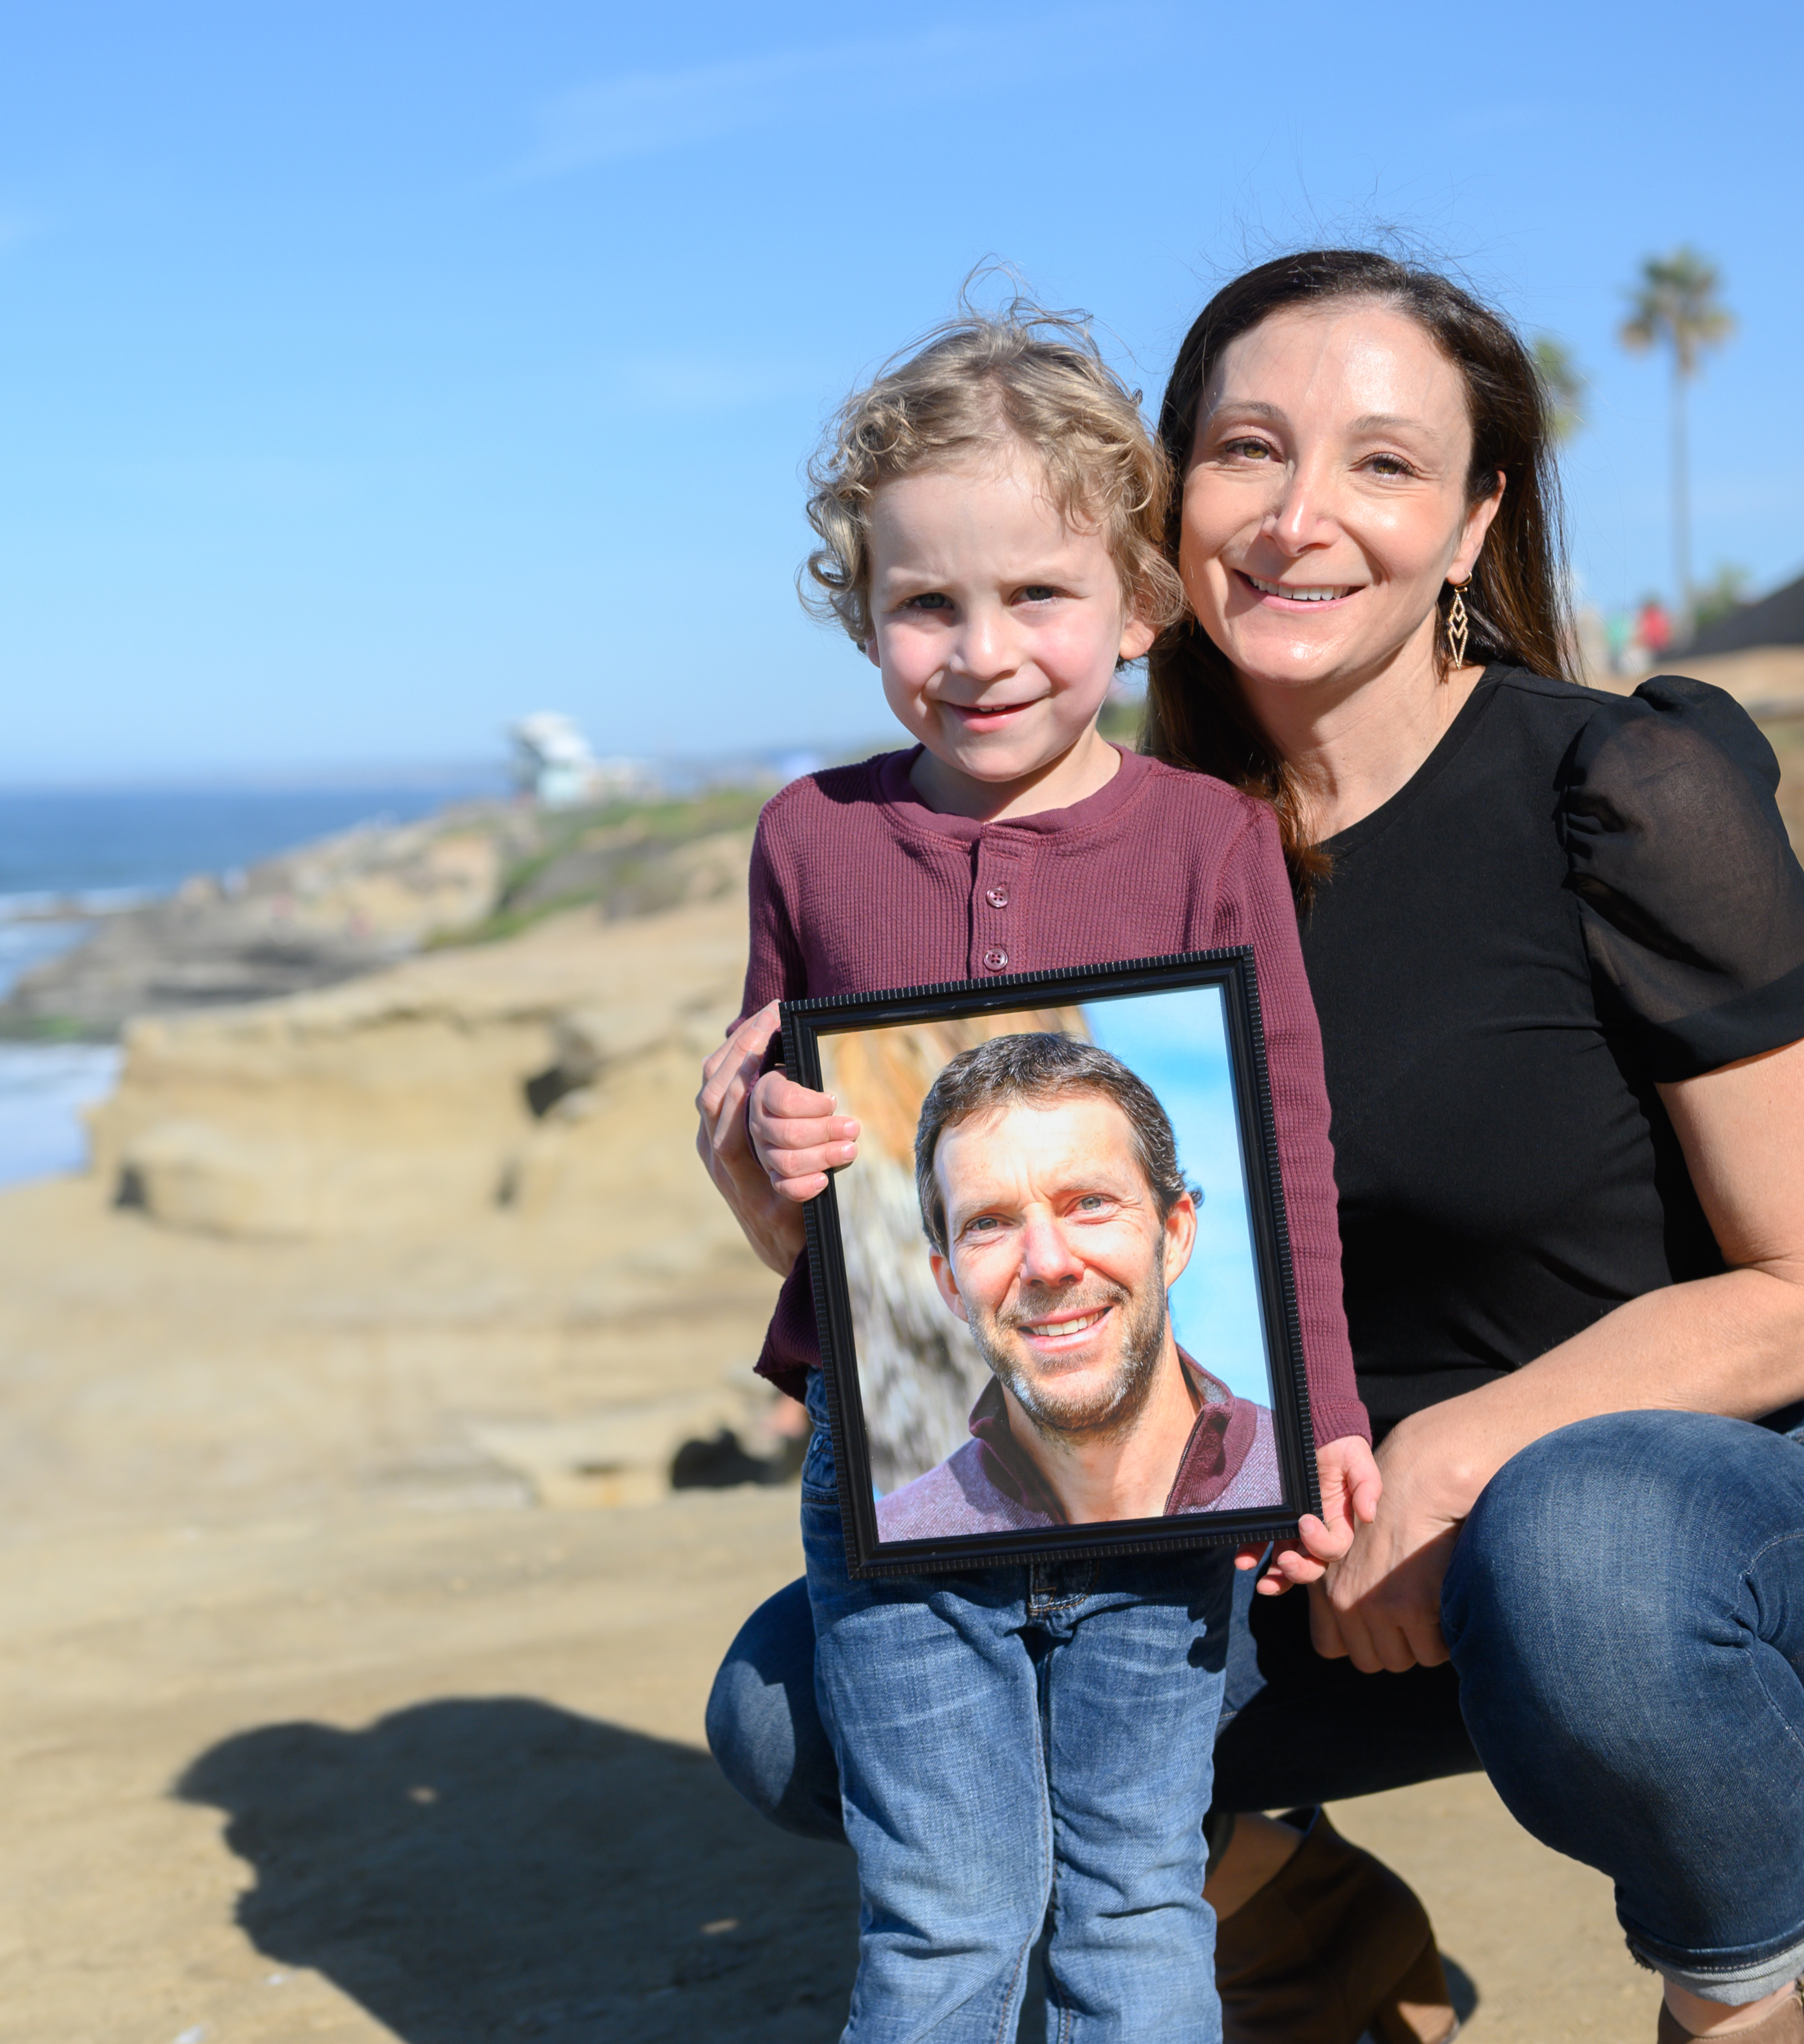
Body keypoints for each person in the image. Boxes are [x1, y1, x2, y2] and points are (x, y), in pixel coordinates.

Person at [705, 250, 1804, 2044]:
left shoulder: (1630, 787)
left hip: (1688, 1527)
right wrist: (773, 1195)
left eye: (1381, 462)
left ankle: (1738, 1983)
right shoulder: (1137, 835)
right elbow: (982, 1232)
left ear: (1474, 517)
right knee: (795, 1699)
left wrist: (1449, 1457)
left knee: (1578, 1553)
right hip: (1283, 1528)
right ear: (1166, 510)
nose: (1301, 517)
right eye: (1248, 451)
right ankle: (1298, 1912)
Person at [694, 299, 1381, 2044]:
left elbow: (1279, 1127)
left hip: (1166, 1480)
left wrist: (1321, 1416)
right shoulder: (809, 838)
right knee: (943, 1909)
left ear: (1140, 602)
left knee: (1135, 1885)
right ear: (861, 609)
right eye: (926, 602)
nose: (983, 648)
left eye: (1040, 595)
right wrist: (769, 1151)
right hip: (907, 1455)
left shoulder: (1208, 835)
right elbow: (808, 1183)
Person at [873, 1032, 1283, 1541]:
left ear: (1173, 1237)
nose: (1047, 1262)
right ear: (951, 1285)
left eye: (1090, 1203)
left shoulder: (1317, 1503)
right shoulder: (897, 1550)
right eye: (988, 1223)